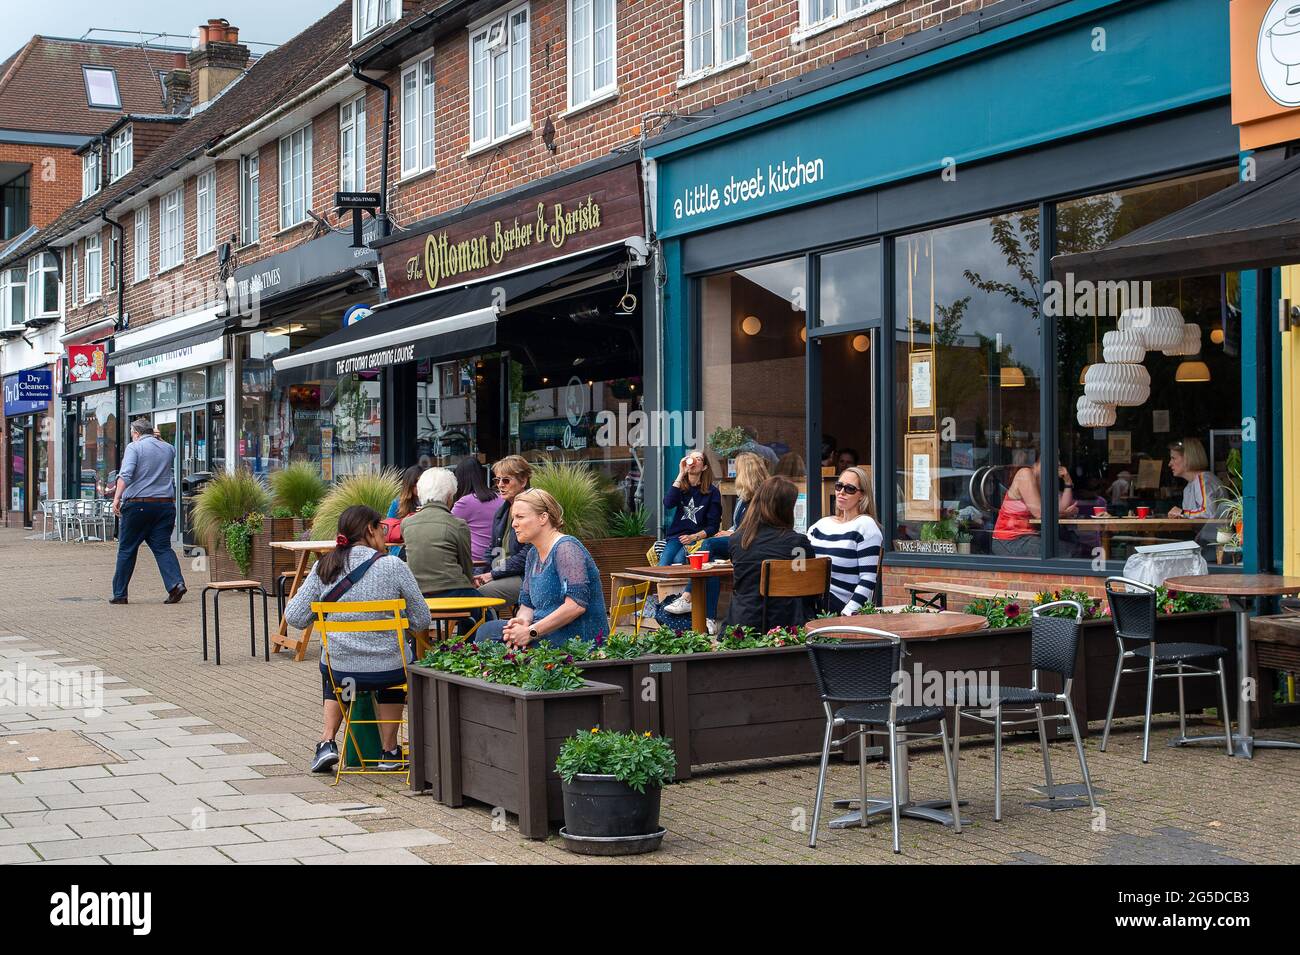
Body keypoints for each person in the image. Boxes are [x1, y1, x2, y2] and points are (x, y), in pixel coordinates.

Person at [284, 505, 431, 774]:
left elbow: (294, 617)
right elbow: (422, 620)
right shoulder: (393, 566)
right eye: (382, 529)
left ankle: (327, 742)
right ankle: (389, 751)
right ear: (369, 530)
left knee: (331, 663)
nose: (385, 535)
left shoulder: (324, 566)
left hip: (341, 671)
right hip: (389, 671)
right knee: (395, 664)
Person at [475, 489, 608, 647]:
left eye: (520, 517)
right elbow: (527, 604)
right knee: (487, 631)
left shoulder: (566, 548)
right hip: (543, 632)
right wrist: (523, 622)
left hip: (576, 640)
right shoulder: (533, 554)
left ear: (543, 517)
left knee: (491, 639)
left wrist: (531, 632)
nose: (514, 524)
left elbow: (576, 606)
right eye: (513, 518)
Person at [664, 451, 767, 631]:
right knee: (709, 564)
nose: (734, 474)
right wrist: (729, 531)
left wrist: (729, 535)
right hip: (733, 540)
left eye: (738, 470)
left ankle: (687, 596)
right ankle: (709, 619)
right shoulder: (744, 497)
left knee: (708, 545)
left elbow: (758, 528)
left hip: (748, 545)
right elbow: (668, 503)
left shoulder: (761, 497)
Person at [724, 476, 816, 632]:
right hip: (788, 626)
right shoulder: (797, 544)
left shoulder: (737, 540)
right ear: (786, 508)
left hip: (742, 626)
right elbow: (804, 586)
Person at [109, 418, 185, 605]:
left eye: (132, 433)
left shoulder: (134, 448)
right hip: (165, 505)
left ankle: (120, 594)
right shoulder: (168, 448)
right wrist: (157, 439)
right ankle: (176, 584)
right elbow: (164, 449)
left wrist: (117, 498)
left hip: (138, 506)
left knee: (127, 549)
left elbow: (126, 474)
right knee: (162, 547)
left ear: (136, 432)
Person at [809, 465, 882, 614]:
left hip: (838, 605)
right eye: (839, 486)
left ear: (862, 495)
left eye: (850, 489)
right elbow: (800, 561)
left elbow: (868, 578)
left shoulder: (865, 526)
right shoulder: (820, 525)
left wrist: (848, 613)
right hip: (811, 598)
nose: (841, 492)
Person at [402, 467, 477, 603]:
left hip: (418, 593)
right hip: (455, 590)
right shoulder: (458, 524)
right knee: (486, 612)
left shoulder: (407, 524)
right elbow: (466, 565)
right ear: (449, 497)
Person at [473, 455, 533, 604]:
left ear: (523, 481)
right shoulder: (502, 511)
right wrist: (480, 574)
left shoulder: (532, 509)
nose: (500, 485)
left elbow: (527, 556)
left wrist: (492, 574)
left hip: (527, 576)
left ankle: (487, 627)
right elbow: (492, 548)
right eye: (497, 480)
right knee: (468, 590)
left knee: (479, 596)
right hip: (502, 572)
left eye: (505, 480)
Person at [991, 458, 1078, 557]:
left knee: (1075, 545)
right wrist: (1066, 513)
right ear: (1036, 462)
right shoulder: (1025, 474)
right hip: (1010, 540)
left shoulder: (1043, 482)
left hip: (1029, 536)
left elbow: (1061, 508)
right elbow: (1039, 513)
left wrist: (1068, 482)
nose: (1057, 463)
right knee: (1072, 552)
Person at [659, 450, 722, 568]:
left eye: (698, 459)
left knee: (679, 560)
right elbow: (668, 504)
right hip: (677, 537)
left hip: (698, 538)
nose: (693, 461)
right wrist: (681, 473)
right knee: (662, 565)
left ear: (704, 467)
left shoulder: (712, 492)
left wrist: (693, 537)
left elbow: (713, 527)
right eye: (691, 458)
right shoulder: (679, 486)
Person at [1167, 438, 1222, 544]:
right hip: (1204, 540)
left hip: (1214, 543)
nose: (1170, 463)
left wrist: (1182, 513)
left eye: (1173, 458)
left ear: (1187, 459)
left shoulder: (1203, 480)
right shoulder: (1189, 487)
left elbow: (1209, 513)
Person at [450, 456, 499, 570]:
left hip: (474, 563)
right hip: (496, 561)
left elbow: (445, 528)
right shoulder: (501, 498)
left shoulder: (465, 503)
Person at [386, 465, 424, 556]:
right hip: (402, 549)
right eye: (415, 482)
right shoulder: (397, 503)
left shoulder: (430, 502)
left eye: (421, 482)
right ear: (409, 484)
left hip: (423, 548)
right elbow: (387, 530)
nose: (418, 486)